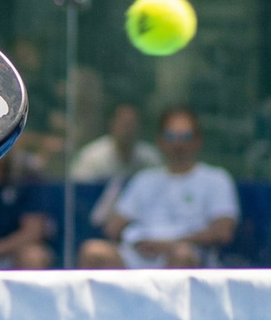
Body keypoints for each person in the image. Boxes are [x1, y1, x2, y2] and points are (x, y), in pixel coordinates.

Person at [79, 106, 238, 269]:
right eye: (171, 136)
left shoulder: (216, 178)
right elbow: (113, 228)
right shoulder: (144, 179)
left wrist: (172, 243)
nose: (178, 144)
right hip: (138, 256)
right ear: (160, 141)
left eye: (185, 136)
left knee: (182, 255)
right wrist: (135, 239)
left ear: (198, 140)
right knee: (93, 251)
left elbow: (223, 231)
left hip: (185, 252)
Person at [72, 103, 163, 229]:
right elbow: (78, 199)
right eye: (124, 124)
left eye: (132, 124)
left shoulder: (150, 159)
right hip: (96, 224)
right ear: (112, 125)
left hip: (142, 226)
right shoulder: (92, 158)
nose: (128, 129)